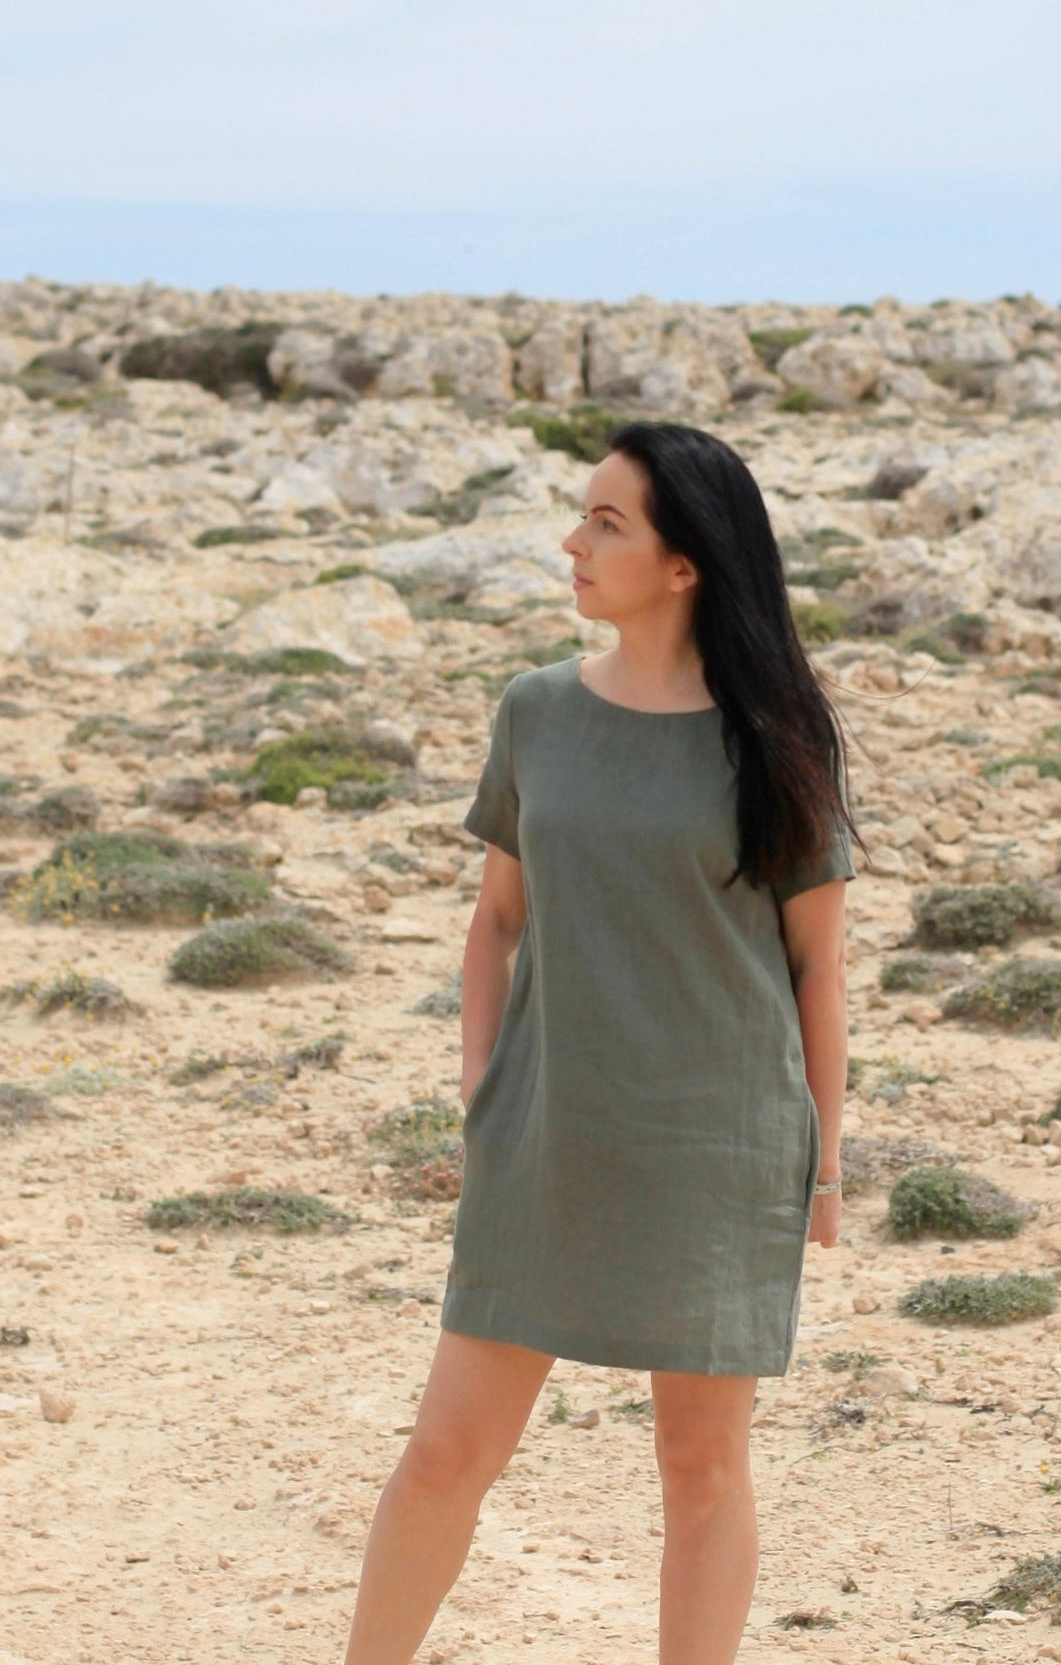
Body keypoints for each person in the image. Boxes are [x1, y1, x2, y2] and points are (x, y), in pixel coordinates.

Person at [343, 421, 861, 1665]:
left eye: (605, 522)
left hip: (715, 1143)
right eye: (580, 517)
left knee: (699, 1467)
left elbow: (814, 966)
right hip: (547, 1134)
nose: (572, 543)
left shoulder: (773, 741)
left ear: (684, 564)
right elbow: (495, 926)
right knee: (445, 1455)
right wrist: (482, 1089)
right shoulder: (535, 712)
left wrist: (827, 1163)